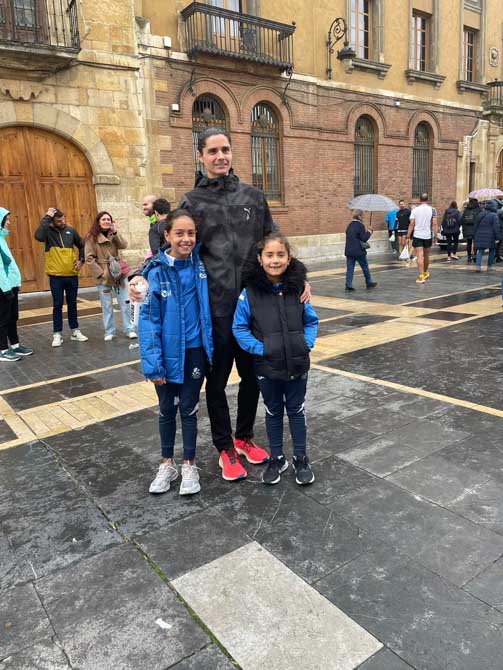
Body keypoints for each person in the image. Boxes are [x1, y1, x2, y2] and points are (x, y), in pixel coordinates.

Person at [131, 127, 310, 481]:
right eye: (212, 151)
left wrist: (298, 275)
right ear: (200, 156)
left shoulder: (253, 197)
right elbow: (172, 247)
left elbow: (274, 242)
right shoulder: (192, 202)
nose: (220, 156)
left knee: (253, 378)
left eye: (225, 149)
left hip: (254, 308)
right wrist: (141, 275)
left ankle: (244, 436)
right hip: (213, 311)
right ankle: (225, 446)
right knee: (216, 384)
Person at [232, 232, 318, 485]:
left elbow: (310, 321)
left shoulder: (298, 289)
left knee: (296, 410)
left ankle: (300, 458)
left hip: (297, 363)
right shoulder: (249, 294)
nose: (275, 260)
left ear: (289, 258)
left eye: (281, 255)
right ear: (260, 259)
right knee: (273, 411)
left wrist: (305, 344)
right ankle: (277, 458)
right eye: (269, 255)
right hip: (267, 366)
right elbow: (239, 327)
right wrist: (261, 349)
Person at [138, 210, 213, 496]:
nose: (186, 239)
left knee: (190, 409)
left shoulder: (201, 265)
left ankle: (189, 464)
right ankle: (166, 464)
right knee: (167, 410)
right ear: (167, 235)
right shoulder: (154, 272)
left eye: (191, 233)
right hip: (166, 356)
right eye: (179, 233)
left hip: (195, 352)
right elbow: (147, 321)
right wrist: (153, 365)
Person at [34, 207, 88, 347]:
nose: (62, 222)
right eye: (58, 221)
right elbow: (38, 236)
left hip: (71, 274)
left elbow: (82, 245)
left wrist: (81, 260)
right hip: (55, 276)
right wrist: (47, 217)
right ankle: (57, 334)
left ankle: (75, 331)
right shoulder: (47, 232)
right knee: (57, 305)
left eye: (63, 219)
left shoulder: (71, 231)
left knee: (72, 304)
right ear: (52, 222)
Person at [84, 211, 136, 342]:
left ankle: (129, 329)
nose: (106, 221)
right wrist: (101, 273)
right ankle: (109, 331)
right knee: (106, 305)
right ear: (98, 222)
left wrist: (116, 232)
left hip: (118, 272)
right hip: (104, 275)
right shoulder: (91, 237)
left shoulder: (113, 234)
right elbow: (89, 258)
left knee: (125, 301)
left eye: (108, 219)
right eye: (104, 219)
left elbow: (124, 245)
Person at [0, 208, 33, 362]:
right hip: (3, 287)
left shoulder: (2, 238)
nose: (9, 222)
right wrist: (6, 288)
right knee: (3, 319)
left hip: (10, 285)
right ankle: (3, 350)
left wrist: (15, 283)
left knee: (12, 317)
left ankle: (15, 345)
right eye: (6, 219)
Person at [406, 193, 438, 284]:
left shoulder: (415, 210)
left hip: (417, 235)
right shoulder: (433, 209)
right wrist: (435, 236)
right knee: (427, 255)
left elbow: (411, 224)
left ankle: (421, 277)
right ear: (428, 200)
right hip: (427, 235)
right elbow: (434, 223)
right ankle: (425, 272)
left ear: (419, 200)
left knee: (419, 256)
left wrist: (408, 236)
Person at [344, 210, 378, 291]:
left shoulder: (349, 225)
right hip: (359, 251)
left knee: (350, 269)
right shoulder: (360, 225)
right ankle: (369, 282)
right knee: (365, 267)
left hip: (349, 251)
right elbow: (364, 238)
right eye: (362, 216)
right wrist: (369, 231)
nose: (363, 217)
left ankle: (348, 285)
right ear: (359, 216)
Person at [473, 200, 500, 272]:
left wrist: (474, 235)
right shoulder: (494, 215)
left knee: (480, 251)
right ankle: (489, 267)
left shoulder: (480, 214)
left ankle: (478, 267)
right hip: (490, 236)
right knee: (492, 250)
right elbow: (496, 228)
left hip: (479, 235)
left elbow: (475, 226)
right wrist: (497, 237)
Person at [461, 198, 481, 263]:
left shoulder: (466, 210)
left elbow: (462, 220)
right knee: (476, 243)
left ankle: (469, 257)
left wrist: (464, 230)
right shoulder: (478, 210)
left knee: (469, 243)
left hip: (467, 230)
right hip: (476, 229)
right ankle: (475, 255)